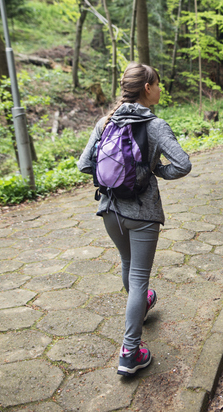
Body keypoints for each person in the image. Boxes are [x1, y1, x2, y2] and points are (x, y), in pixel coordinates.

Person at [78, 62, 191, 376]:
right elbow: (182, 164)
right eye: (157, 84)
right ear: (146, 89)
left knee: (129, 265)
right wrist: (156, 171)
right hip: (142, 214)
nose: (160, 88)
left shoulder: (106, 122)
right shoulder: (155, 126)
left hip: (109, 210)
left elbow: (84, 165)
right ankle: (130, 352)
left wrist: (112, 176)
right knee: (140, 280)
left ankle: (138, 309)